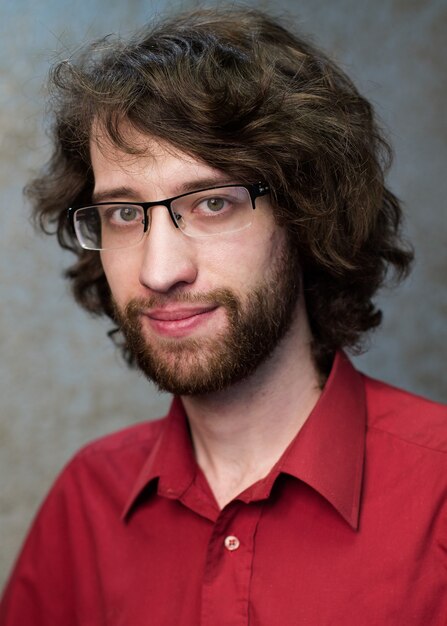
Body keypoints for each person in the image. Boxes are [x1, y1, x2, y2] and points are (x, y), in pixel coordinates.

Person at [1, 6, 446, 625]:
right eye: (126, 214)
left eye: (213, 203)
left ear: (304, 217)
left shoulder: (437, 494)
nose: (159, 271)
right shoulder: (86, 503)